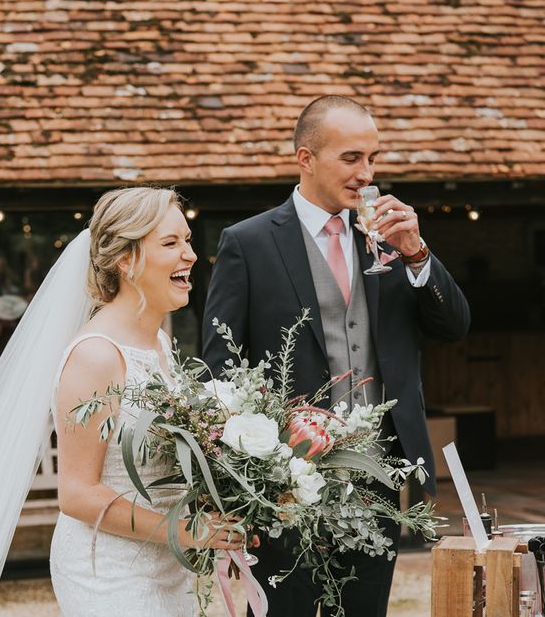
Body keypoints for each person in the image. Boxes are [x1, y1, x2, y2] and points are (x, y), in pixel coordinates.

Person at [0, 187, 243, 617]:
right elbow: (78, 494)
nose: (190, 254)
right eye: (171, 243)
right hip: (111, 572)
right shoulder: (96, 355)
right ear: (126, 260)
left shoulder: (159, 342)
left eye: (188, 240)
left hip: (169, 563)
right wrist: (185, 530)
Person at [202, 95, 471, 617]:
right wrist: (245, 471)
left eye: (372, 158)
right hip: (283, 479)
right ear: (306, 159)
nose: (366, 174)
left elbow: (454, 327)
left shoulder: (391, 236)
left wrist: (418, 255)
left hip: (377, 471)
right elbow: (221, 369)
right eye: (351, 158)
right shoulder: (248, 242)